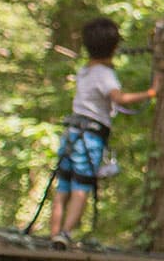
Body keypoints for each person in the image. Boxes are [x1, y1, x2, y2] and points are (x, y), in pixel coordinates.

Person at [48, 17, 157, 248]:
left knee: (63, 186)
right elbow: (119, 98)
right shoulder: (104, 75)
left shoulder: (85, 71)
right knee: (82, 186)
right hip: (89, 137)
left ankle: (55, 233)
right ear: (114, 47)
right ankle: (65, 234)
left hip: (71, 133)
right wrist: (151, 92)